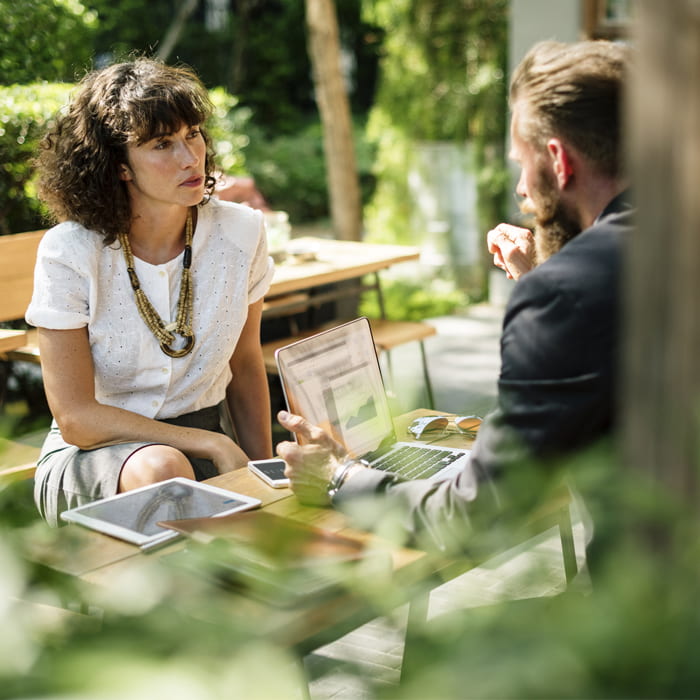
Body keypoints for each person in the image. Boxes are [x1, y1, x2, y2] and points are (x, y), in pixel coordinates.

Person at [276, 39, 633, 553]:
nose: (521, 193)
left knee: (431, 637)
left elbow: (475, 515)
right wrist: (545, 277)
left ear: (558, 160)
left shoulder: (564, 295)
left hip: (656, 619)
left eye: (521, 164)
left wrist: (338, 479)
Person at [27, 57, 274, 526]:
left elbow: (245, 365)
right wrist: (213, 443)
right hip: (98, 457)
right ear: (119, 166)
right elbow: (77, 417)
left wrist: (263, 475)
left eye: (193, 134)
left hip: (210, 442)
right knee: (165, 469)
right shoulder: (71, 251)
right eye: (162, 144)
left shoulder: (242, 232)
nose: (190, 157)